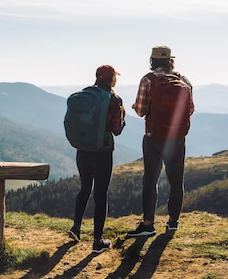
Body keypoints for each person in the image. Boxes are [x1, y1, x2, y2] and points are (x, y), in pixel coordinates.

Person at [127, 46, 194, 237]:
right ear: (170, 60)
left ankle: (148, 224)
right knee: (176, 180)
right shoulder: (184, 80)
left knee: (150, 180)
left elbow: (140, 111)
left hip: (154, 138)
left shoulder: (148, 79)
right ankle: (173, 222)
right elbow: (190, 109)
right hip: (177, 139)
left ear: (152, 60)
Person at [68, 64, 126, 253]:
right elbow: (116, 130)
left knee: (85, 188)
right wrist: (123, 120)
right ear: (111, 79)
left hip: (82, 150)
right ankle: (97, 241)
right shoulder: (114, 99)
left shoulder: (86, 95)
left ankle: (76, 228)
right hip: (102, 152)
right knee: (100, 194)